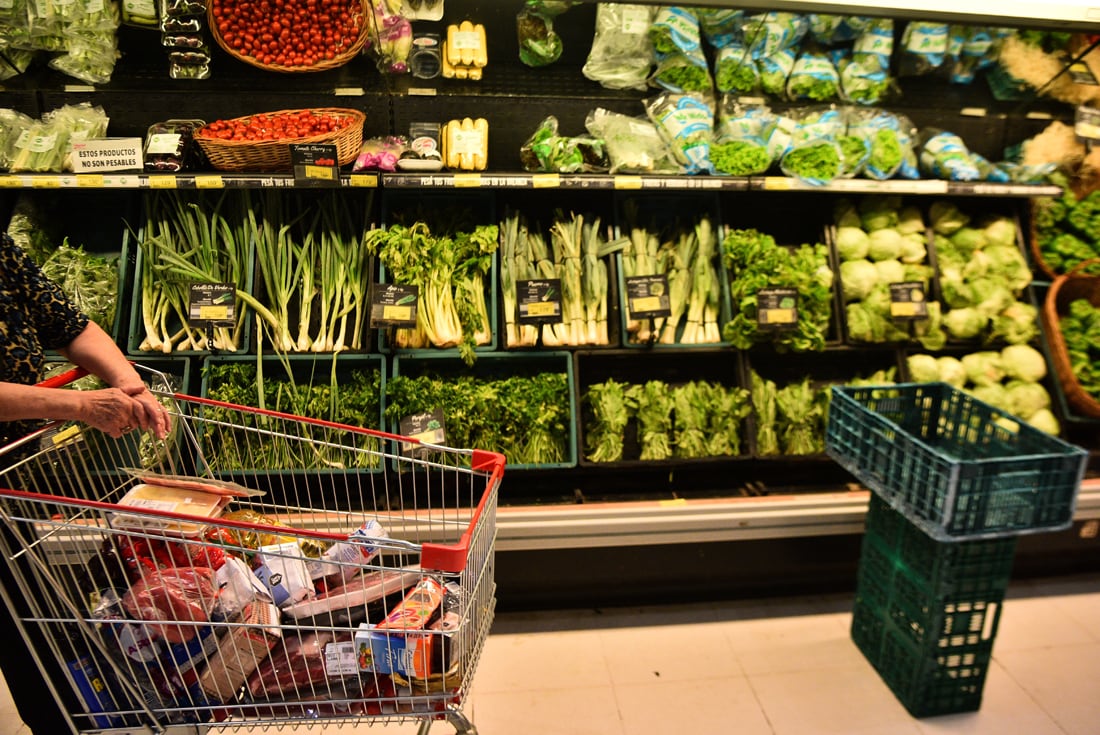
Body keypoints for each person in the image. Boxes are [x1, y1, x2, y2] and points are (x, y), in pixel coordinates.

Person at [0, 228, 170, 734]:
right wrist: (80, 404)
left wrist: (128, 383)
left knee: (36, 619)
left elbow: (69, 324)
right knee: (29, 629)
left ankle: (75, 717)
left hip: (11, 462)